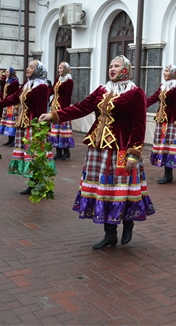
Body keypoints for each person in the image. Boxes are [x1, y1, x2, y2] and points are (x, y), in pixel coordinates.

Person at [39, 55, 155, 249]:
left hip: (122, 149)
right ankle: (109, 234)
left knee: (121, 190)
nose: (112, 69)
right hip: (98, 150)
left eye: (117, 66)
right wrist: (54, 115)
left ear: (126, 69)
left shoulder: (135, 93)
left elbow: (139, 125)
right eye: (110, 65)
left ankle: (128, 222)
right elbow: (82, 107)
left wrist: (134, 153)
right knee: (103, 191)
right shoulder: (102, 90)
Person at [0, 60, 56, 195]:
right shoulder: (27, 85)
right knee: (28, 155)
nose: (27, 69)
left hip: (33, 126)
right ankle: (32, 183)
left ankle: (38, 184)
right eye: (28, 66)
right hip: (23, 124)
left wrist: (41, 129)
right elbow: (13, 98)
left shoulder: (41, 87)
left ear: (38, 70)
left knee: (34, 154)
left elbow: (42, 108)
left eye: (31, 67)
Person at [146, 64, 176, 184]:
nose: (164, 73)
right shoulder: (163, 86)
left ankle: (169, 174)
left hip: (171, 122)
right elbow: (153, 98)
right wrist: (141, 105)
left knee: (169, 147)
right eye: (164, 71)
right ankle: (167, 173)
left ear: (173, 73)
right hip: (162, 121)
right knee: (162, 147)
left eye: (167, 71)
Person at [49, 61, 76, 161]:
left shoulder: (69, 81)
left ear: (65, 69)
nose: (59, 70)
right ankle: (58, 152)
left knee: (63, 131)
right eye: (59, 68)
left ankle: (66, 152)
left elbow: (68, 97)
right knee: (55, 131)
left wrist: (64, 111)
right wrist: (46, 94)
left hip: (62, 108)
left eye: (60, 68)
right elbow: (52, 90)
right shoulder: (58, 79)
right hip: (54, 108)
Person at [0, 66, 20, 146]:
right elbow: (3, 93)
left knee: (11, 123)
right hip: (6, 104)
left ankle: (13, 141)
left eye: (7, 72)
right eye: (6, 72)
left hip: (11, 105)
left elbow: (15, 95)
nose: (6, 73)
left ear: (11, 73)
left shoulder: (15, 82)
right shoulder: (8, 81)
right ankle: (9, 140)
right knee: (7, 123)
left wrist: (16, 106)